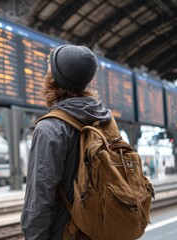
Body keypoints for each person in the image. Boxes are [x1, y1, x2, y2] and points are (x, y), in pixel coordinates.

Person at [21, 44, 111, 239]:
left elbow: (39, 201)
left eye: (49, 65)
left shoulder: (50, 128)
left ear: (55, 78)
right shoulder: (104, 119)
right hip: (100, 230)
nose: (46, 69)